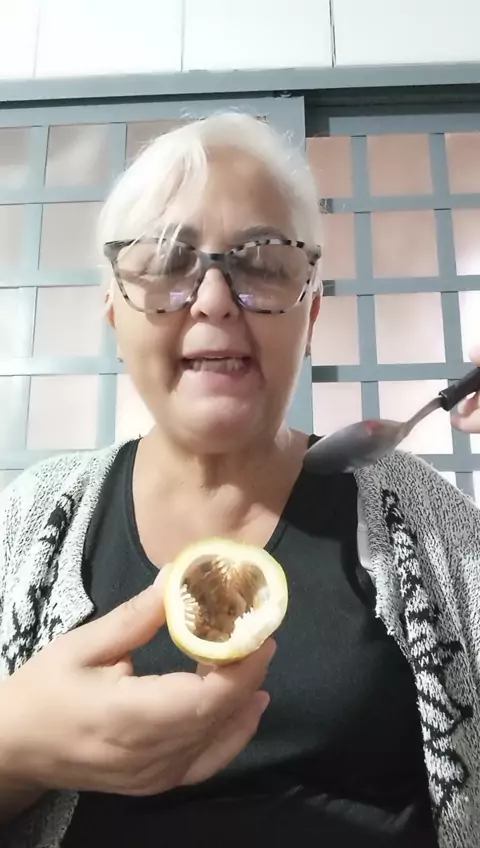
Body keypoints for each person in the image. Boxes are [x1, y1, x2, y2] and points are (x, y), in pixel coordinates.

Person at [0, 112, 479, 848]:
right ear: (115, 313)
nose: (216, 298)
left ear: (310, 314)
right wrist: (15, 748)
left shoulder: (425, 522)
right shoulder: (30, 523)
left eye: (263, 260)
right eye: (168, 259)